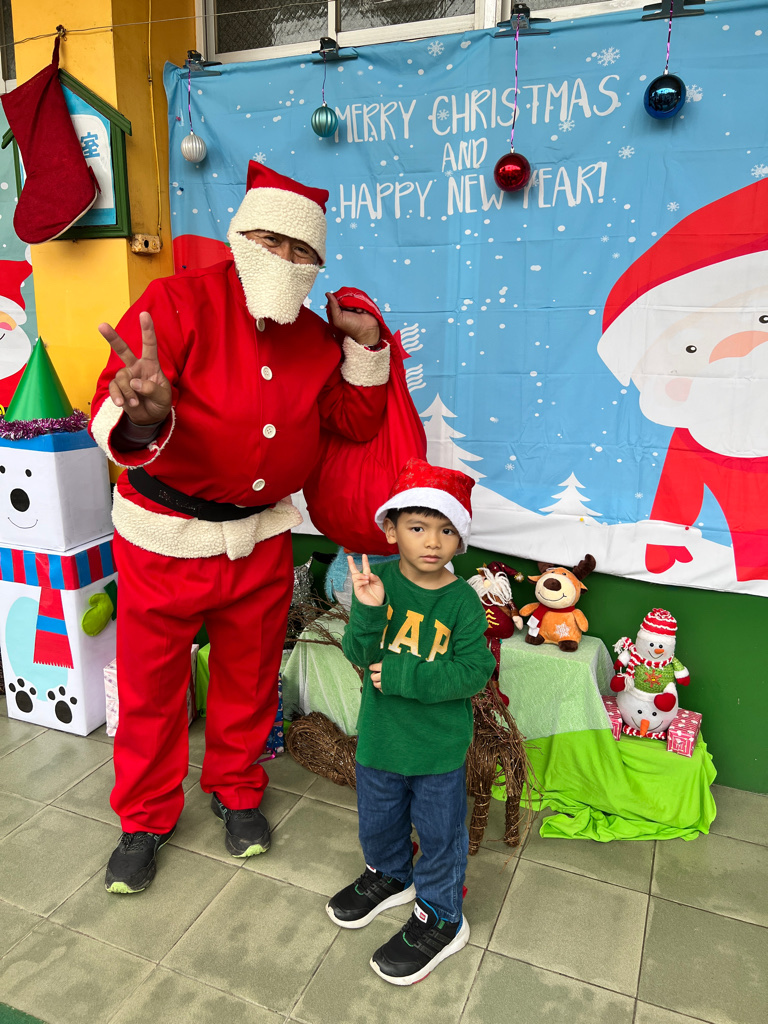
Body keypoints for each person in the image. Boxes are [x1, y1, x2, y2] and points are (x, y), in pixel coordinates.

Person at [89, 162, 392, 894]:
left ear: (317, 264)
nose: (284, 257)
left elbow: (352, 421)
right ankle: (144, 817)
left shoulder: (315, 337)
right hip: (165, 538)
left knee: (250, 680)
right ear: (240, 235)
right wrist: (143, 414)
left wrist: (364, 347)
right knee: (152, 687)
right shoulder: (175, 302)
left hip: (259, 540)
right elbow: (116, 402)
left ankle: (235, 787)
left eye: (302, 249)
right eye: (270, 239)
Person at [327, 457, 496, 985]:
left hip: (438, 750)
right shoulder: (376, 581)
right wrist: (368, 610)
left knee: (441, 836)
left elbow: (474, 673)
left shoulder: (462, 601)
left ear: (459, 539)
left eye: (446, 530)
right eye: (418, 527)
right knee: (378, 822)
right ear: (391, 529)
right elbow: (359, 652)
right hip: (381, 740)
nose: (432, 542)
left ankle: (443, 916)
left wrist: (402, 674)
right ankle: (391, 875)